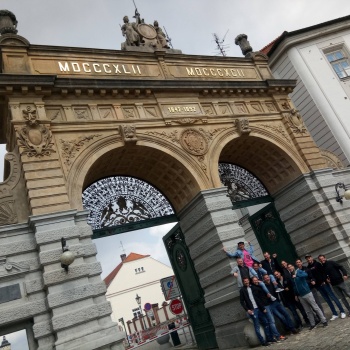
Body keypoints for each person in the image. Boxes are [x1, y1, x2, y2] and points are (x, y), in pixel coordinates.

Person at [288, 262, 327, 330]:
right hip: (300, 295)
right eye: (288, 267)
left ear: (293, 267)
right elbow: (294, 286)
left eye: (291, 266)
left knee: (315, 307)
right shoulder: (291, 276)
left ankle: (324, 320)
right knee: (308, 311)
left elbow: (305, 275)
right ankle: (313, 323)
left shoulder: (299, 271)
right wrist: (296, 295)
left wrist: (297, 276)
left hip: (307, 292)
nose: (290, 268)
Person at [305, 254, 346, 320]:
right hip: (318, 286)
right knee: (327, 300)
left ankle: (342, 311)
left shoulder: (317, 264)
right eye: (307, 259)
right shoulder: (308, 267)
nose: (308, 259)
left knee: (333, 297)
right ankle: (335, 313)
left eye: (309, 258)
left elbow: (324, 272)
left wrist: (324, 280)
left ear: (311, 258)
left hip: (324, 284)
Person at [239, 277, 274, 347]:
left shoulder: (252, 288)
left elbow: (258, 298)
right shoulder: (242, 290)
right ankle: (263, 342)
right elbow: (241, 301)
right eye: (245, 281)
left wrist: (262, 308)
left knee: (266, 322)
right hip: (253, 310)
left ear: (249, 281)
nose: (246, 282)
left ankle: (269, 339)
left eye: (247, 281)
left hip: (259, 308)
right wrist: (247, 310)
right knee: (257, 326)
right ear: (243, 282)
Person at [251, 277, 287, 342]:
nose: (256, 281)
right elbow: (257, 300)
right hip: (265, 306)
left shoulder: (259, 286)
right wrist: (262, 308)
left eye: (256, 279)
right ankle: (277, 336)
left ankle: (274, 336)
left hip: (268, 304)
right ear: (252, 281)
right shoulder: (254, 288)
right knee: (271, 322)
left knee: (271, 321)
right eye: (254, 280)